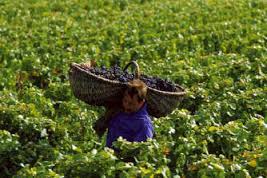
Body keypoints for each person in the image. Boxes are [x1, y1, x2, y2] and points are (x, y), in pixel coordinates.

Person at [93, 79, 154, 148]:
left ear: (141, 103)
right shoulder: (118, 110)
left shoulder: (144, 124)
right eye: (125, 101)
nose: (127, 105)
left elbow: (139, 150)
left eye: (131, 103)